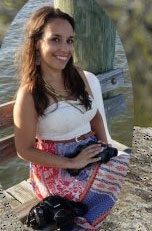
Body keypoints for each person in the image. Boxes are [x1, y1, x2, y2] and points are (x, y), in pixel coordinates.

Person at [13, 6, 129, 230]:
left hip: (90, 150)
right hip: (57, 169)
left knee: (132, 171)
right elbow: (24, 150)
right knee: (119, 186)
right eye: (55, 39)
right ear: (37, 44)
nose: (65, 48)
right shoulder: (29, 93)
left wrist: (105, 144)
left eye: (69, 40)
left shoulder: (77, 76)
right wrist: (72, 162)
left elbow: (94, 115)